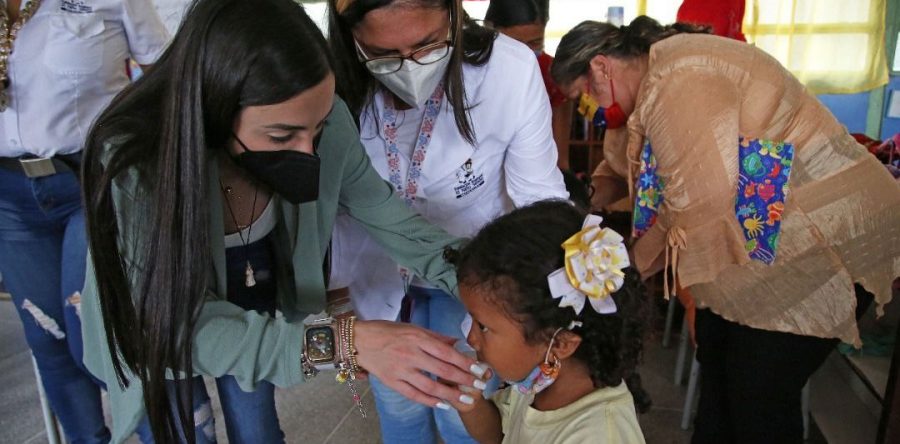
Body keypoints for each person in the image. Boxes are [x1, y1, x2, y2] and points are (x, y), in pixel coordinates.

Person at [79, 0, 487, 442]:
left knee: (256, 425)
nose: (309, 152)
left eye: (320, 127)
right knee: (180, 428)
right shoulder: (136, 166)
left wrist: (494, 285)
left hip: (257, 284)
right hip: (160, 321)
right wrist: (348, 341)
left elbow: (394, 222)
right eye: (281, 136)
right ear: (216, 105)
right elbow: (175, 331)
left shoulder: (325, 123)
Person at [551, 16, 900, 443]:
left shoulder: (677, 78)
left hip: (827, 231)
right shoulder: (653, 84)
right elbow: (628, 165)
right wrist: (589, 204)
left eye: (588, 93)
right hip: (772, 240)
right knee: (719, 358)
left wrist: (621, 274)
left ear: (602, 66)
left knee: (759, 393)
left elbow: (700, 201)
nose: (596, 106)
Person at [327, 0, 569, 442]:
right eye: (384, 54)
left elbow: (540, 198)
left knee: (467, 418)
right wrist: (343, 322)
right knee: (401, 412)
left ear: (454, 14)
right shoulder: (334, 84)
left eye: (427, 45)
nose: (410, 67)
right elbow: (335, 212)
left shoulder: (508, 72)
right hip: (384, 286)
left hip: (477, 288)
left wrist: (556, 292)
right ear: (352, 39)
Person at [0, 0, 168, 442]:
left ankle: (166, 432)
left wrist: (143, 159)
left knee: (95, 341)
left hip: (93, 180)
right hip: (10, 192)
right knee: (48, 342)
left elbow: (166, 77)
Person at [446, 200, 648, 443]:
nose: (471, 338)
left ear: (561, 343)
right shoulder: (539, 380)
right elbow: (501, 434)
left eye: (483, 327)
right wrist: (470, 401)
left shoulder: (600, 436)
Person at [483, 0, 572, 171]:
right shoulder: (472, 73)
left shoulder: (550, 72)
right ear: (491, 31)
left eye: (535, 42)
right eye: (516, 44)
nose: (526, 54)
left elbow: (561, 160)